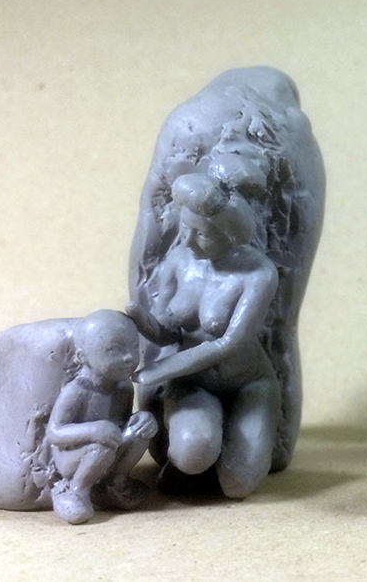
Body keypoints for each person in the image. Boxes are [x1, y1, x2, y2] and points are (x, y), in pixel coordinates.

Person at [128, 172, 280, 499]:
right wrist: (141, 320)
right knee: (193, 451)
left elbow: (228, 343)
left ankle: (234, 451)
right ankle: (192, 463)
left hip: (247, 382)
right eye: (186, 228)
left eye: (203, 234)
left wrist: (163, 369)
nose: (189, 242)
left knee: (238, 484)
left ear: (230, 235)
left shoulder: (258, 273)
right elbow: (166, 331)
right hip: (193, 383)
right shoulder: (179, 260)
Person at [46, 310, 157, 524]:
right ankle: (77, 490)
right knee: (101, 445)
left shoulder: (123, 386)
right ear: (82, 357)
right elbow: (54, 433)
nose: (129, 357)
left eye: (134, 347)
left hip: (109, 448)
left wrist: (139, 423)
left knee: (142, 426)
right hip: (75, 456)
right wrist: (93, 430)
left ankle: (115, 483)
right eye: (114, 350)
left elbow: (121, 423)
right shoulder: (78, 390)